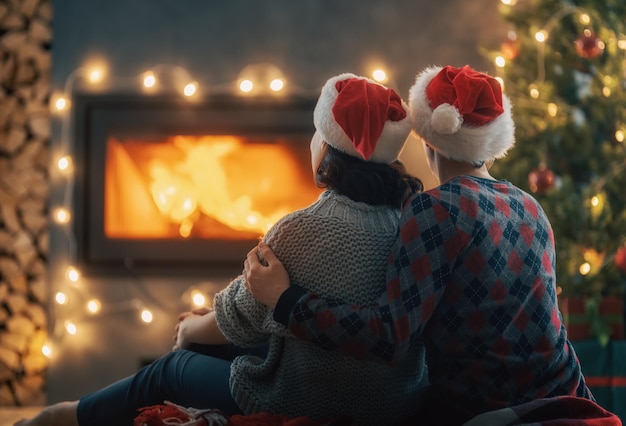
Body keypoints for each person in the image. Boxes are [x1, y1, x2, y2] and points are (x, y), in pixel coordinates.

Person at [15, 73, 428, 426]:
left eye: (318, 132)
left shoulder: (301, 228)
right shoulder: (410, 221)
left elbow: (242, 318)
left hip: (311, 399)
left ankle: (67, 416)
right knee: (224, 339)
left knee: (172, 367)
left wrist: (191, 328)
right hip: (392, 398)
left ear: (328, 148)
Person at [243, 65, 597, 425]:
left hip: (488, 411)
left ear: (429, 140)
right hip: (567, 397)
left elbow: (389, 337)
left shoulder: (435, 209)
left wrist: (286, 301)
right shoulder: (530, 206)